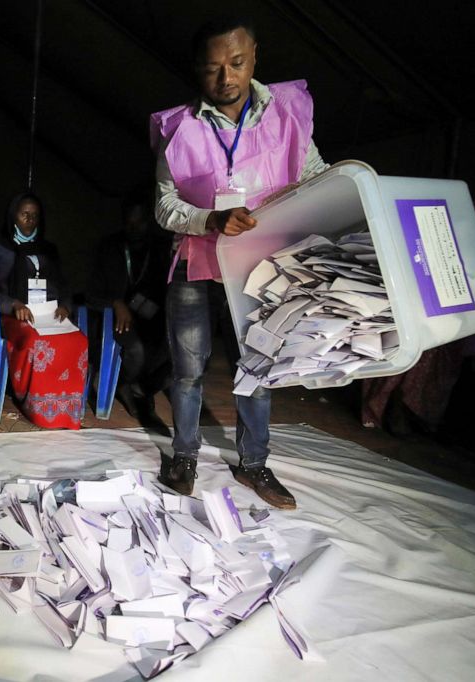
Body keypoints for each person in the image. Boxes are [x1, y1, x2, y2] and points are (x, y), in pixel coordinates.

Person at [151, 17, 330, 508]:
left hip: (260, 268)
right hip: (196, 266)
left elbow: (315, 177)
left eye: (236, 63)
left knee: (256, 368)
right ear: (197, 70)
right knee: (188, 370)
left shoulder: (288, 116)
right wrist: (210, 219)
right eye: (212, 68)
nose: (226, 78)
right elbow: (165, 206)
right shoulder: (179, 129)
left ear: (254, 57)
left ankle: (255, 465)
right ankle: (184, 455)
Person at [0, 192, 88, 429]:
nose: (30, 220)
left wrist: (66, 304)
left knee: (78, 341)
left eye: (35, 216)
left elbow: (64, 284)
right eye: (24, 214)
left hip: (48, 314)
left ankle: (65, 410)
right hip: (13, 316)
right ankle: (39, 408)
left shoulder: (49, 249)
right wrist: (13, 304)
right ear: (13, 215)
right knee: (37, 343)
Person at [87, 194, 171, 425]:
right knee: (137, 351)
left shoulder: (158, 248)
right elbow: (90, 293)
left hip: (151, 318)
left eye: (140, 222)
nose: (134, 228)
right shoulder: (110, 247)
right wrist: (116, 302)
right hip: (114, 319)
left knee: (176, 351)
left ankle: (141, 389)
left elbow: (165, 288)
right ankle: (124, 384)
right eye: (129, 222)